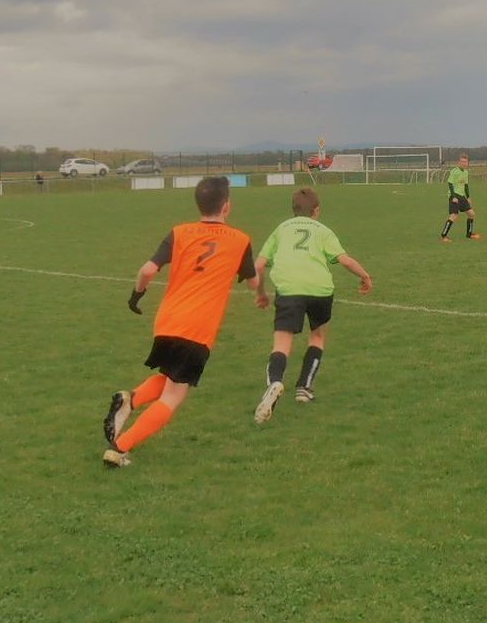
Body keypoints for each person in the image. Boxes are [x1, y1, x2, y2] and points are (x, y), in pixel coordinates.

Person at [101, 176, 259, 468]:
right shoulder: (240, 240)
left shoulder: (180, 233)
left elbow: (148, 270)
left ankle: (130, 399)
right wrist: (260, 292)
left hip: (167, 321)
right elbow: (253, 281)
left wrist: (136, 296)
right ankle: (119, 448)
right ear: (227, 206)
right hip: (198, 328)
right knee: (173, 397)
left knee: (171, 376)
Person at [253, 187, 372, 423]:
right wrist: (365, 276)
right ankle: (304, 388)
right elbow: (344, 260)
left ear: (293, 210)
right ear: (316, 211)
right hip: (320, 290)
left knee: (282, 343)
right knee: (317, 336)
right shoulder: (323, 230)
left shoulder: (281, 229)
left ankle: (275, 382)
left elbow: (258, 266)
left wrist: (261, 293)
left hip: (289, 290)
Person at [440, 153, 481, 242]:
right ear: (459, 162)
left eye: (465, 162)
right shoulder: (454, 171)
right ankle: (444, 236)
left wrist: (468, 197)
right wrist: (453, 197)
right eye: (462, 161)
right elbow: (450, 183)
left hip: (462, 196)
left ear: (467, 163)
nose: (464, 163)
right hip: (454, 195)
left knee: (471, 214)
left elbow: (466, 185)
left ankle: (469, 234)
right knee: (454, 215)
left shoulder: (466, 172)